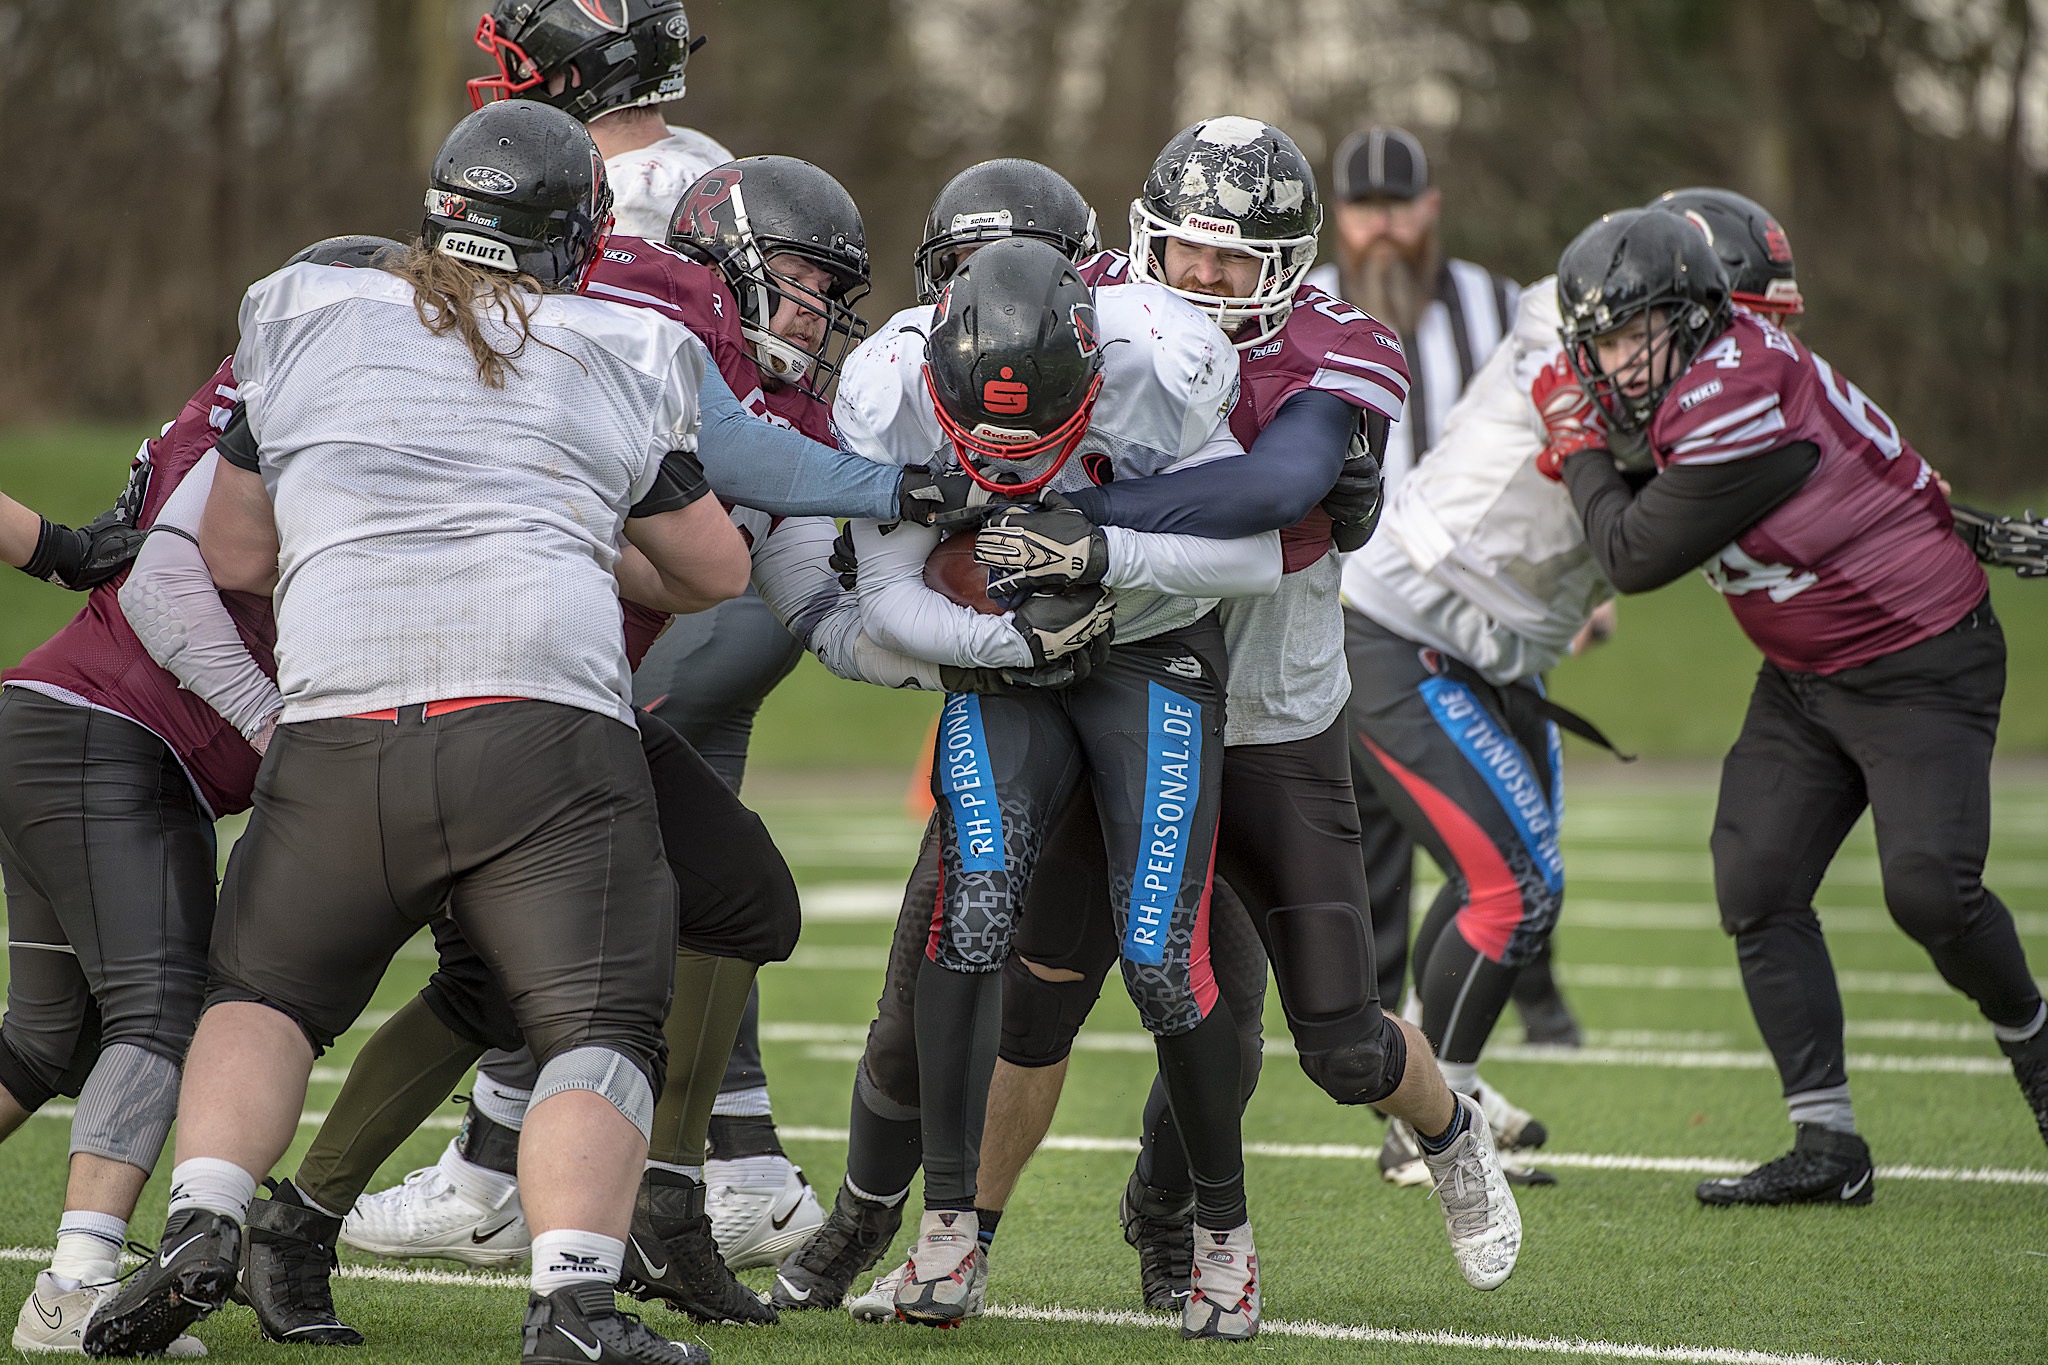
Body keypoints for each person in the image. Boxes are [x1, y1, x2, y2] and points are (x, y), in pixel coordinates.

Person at [82, 101, 752, 1365]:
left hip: (338, 722)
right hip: (540, 727)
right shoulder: (617, 343)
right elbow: (710, 568)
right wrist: (557, 515)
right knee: (597, 1024)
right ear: (574, 235)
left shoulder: (305, 312)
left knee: (264, 995)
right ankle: (573, 1305)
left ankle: (203, 1222)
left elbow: (232, 549)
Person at [938, 120, 1520, 1332]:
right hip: (1118, 695)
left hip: (1267, 721)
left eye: (1234, 259)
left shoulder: (1336, 340)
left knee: (1336, 1043)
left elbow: (1270, 488)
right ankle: (963, 1241)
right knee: (1041, 1000)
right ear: (1146, 236)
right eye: (1188, 251)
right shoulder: (1083, 295)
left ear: (1289, 262)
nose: (1203, 277)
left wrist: (1092, 523)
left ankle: (1450, 1132)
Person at [824, 235, 1292, 1338]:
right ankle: (948, 1229)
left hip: (1152, 645)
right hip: (1002, 648)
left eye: (1037, 438)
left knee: (1160, 958)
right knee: (974, 904)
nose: (1006, 462)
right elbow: (886, 593)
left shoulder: (1160, 365)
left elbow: (1253, 555)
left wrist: (1095, 554)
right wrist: (1016, 649)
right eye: (977, 439)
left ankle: (1224, 1235)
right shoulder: (885, 381)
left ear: (1092, 381)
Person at [1540, 205, 2048, 1205]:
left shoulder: (1736, 390)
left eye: (1631, 335)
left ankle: (2037, 1055)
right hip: (1805, 677)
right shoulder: (1719, 371)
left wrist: (1577, 447)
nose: (1616, 364)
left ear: (1693, 314)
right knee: (1755, 879)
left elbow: (1632, 553)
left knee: (1927, 893)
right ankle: (1827, 1145)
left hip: (1918, 661)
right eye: (1600, 341)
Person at [0, 237, 394, 1358]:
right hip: (107, 733)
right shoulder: (271, 409)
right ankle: (73, 1288)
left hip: (70, 726)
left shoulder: (259, 391)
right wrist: (277, 731)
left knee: (44, 1039)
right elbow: (170, 588)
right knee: (163, 1012)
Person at [1306, 124, 1584, 1050]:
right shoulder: (1306, 307)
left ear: (1430, 208)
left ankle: (1533, 1005)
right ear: (1339, 219)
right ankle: (1382, 1034)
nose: (1382, 227)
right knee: (1376, 826)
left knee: (1506, 815)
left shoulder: (1497, 304)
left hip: (1480, 597)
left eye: (1398, 206)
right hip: (1347, 603)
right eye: (1364, 209)